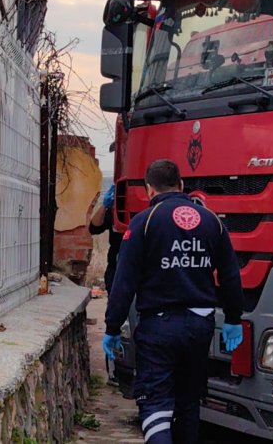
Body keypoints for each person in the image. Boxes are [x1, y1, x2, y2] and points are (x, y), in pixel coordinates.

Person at [103, 159, 244, 444]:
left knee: (155, 402)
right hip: (200, 326)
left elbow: (124, 281)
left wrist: (112, 326)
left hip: (159, 327)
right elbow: (230, 275)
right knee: (188, 402)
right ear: (181, 185)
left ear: (149, 189)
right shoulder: (211, 221)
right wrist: (233, 318)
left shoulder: (144, 222)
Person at [89, 183, 123, 384]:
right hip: (117, 269)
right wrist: (105, 205)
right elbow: (94, 227)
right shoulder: (117, 207)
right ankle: (114, 370)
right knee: (115, 316)